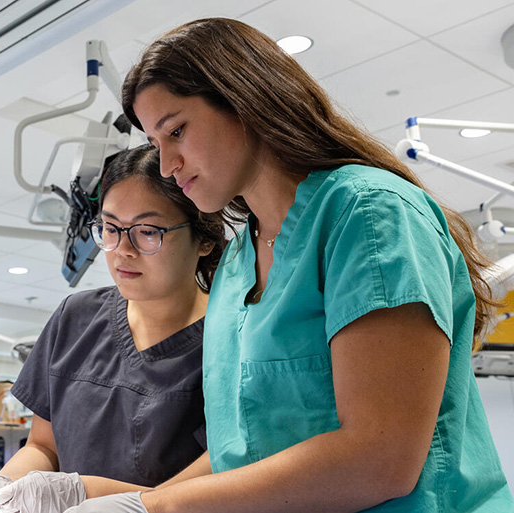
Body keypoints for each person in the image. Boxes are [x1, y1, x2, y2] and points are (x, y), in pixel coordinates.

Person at [67, 17, 514, 513]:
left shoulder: (368, 215)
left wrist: (156, 510)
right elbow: (243, 457)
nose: (168, 164)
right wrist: (93, 496)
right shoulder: (239, 260)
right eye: (155, 144)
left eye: (177, 131)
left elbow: (380, 458)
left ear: (243, 100)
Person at [0, 145, 232, 513]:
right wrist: (0, 492)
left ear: (205, 238)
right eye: (111, 228)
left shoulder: (231, 340)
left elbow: (229, 472)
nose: (122, 250)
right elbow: (43, 447)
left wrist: (108, 500)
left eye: (147, 231)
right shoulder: (76, 318)